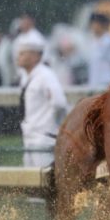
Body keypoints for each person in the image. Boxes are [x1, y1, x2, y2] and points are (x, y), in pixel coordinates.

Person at [17, 33, 68, 167]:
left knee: (43, 179)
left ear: (35, 56)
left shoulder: (46, 75)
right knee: (30, 180)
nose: (19, 57)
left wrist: (49, 124)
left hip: (43, 136)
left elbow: (59, 103)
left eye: (23, 53)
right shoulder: (27, 76)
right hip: (30, 135)